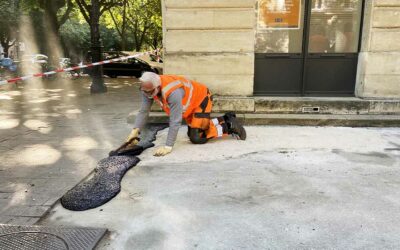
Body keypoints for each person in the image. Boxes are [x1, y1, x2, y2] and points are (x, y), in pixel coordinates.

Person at [127, 72, 246, 157]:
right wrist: (135, 130)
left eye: (149, 92)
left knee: (197, 137)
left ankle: (229, 126)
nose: (147, 95)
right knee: (194, 132)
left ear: (157, 87)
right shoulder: (147, 87)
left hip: (201, 100)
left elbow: (175, 120)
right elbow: (143, 111)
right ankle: (225, 118)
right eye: (144, 91)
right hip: (190, 106)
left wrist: (168, 146)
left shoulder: (173, 93)